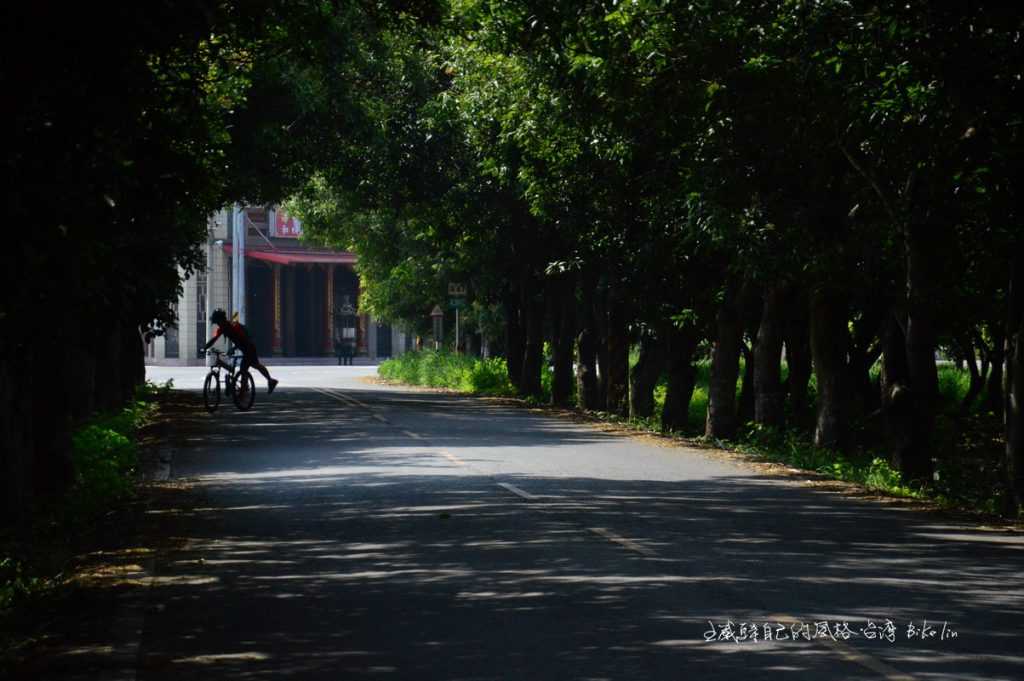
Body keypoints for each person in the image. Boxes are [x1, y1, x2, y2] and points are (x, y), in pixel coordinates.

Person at [204, 309, 278, 394]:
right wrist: (205, 347)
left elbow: (245, 339)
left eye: (217, 322)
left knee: (244, 368)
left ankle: (244, 391)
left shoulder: (233, 326)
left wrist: (234, 348)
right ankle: (270, 381)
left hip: (249, 347)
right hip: (244, 348)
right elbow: (214, 339)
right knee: (254, 365)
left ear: (222, 320)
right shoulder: (222, 328)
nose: (217, 324)